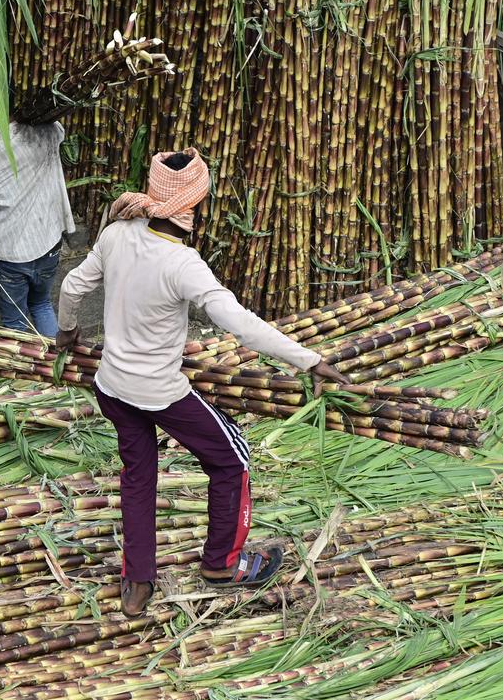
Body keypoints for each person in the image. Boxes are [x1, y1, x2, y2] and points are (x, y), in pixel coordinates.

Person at [55, 147, 349, 617]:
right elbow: (241, 323)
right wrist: (309, 360)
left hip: (112, 387)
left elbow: (72, 287)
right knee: (232, 458)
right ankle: (221, 565)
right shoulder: (183, 262)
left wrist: (68, 330)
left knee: (138, 478)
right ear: (197, 204)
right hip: (158, 392)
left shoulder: (116, 234)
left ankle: (137, 582)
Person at [0, 120, 75, 335]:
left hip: (11, 254)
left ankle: (22, 367)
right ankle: (56, 363)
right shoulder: (44, 130)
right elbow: (60, 129)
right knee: (42, 305)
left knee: (14, 326)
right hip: (49, 242)